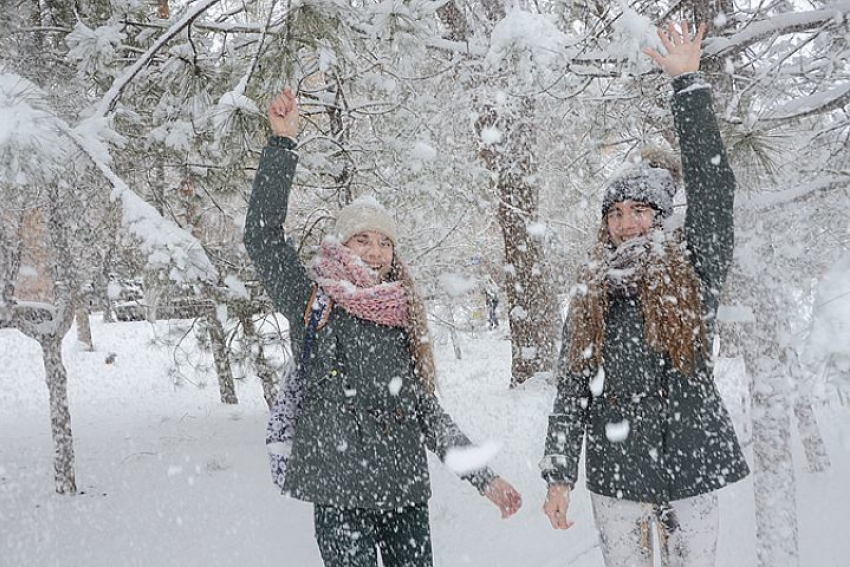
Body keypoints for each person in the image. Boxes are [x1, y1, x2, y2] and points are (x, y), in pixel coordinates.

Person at [245, 87, 522, 567]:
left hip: (403, 493)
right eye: (362, 239)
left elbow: (425, 413)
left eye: (384, 243)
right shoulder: (313, 298)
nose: (375, 253)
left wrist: (484, 477)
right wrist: (282, 145)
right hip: (338, 492)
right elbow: (263, 239)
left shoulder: (400, 313)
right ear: (342, 243)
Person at [540, 21, 749, 567]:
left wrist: (688, 88)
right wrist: (560, 474)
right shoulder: (591, 295)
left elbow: (713, 189)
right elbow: (570, 391)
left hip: (690, 460)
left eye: (638, 211)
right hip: (616, 470)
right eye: (616, 213)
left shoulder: (694, 269)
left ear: (659, 217)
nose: (626, 223)